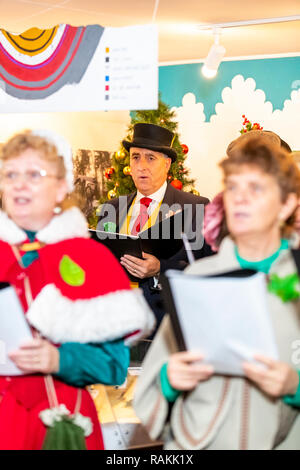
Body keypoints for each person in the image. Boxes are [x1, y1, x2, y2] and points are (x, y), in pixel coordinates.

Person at [134, 136, 300, 450]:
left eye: (256, 188)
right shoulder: (198, 278)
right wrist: (171, 380)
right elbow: (155, 379)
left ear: (287, 203)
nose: (240, 199)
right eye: (233, 187)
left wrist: (295, 385)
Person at [0, 129, 155, 450]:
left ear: (60, 188)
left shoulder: (90, 258)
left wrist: (59, 359)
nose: (19, 184)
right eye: (10, 174)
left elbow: (113, 366)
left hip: (61, 426)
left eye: (34, 174)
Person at [98, 123, 212, 330]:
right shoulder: (111, 208)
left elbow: (209, 270)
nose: (141, 165)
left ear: (167, 165)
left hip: (167, 324)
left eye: (150, 158)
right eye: (135, 157)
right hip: (115, 321)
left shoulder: (196, 208)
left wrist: (160, 269)